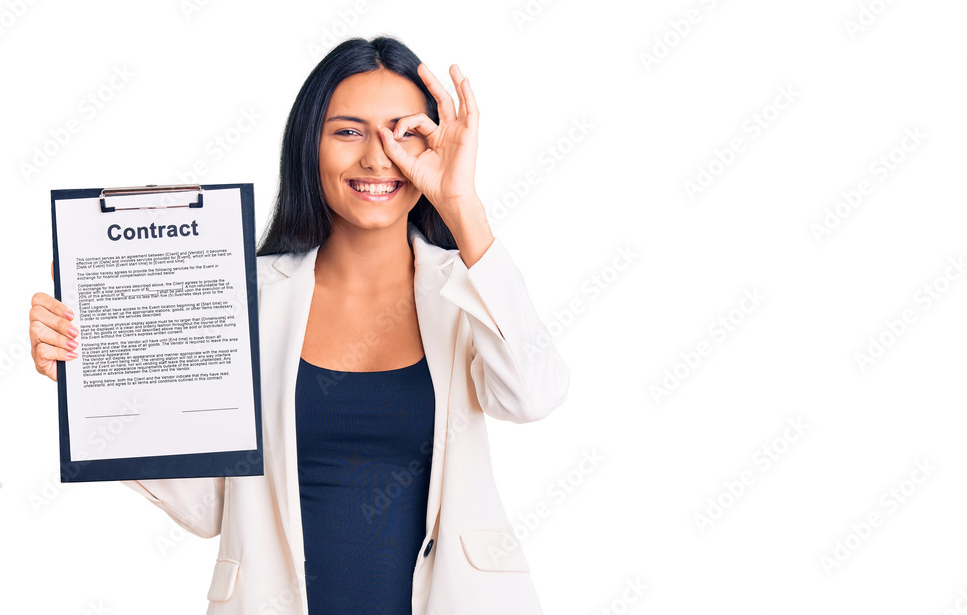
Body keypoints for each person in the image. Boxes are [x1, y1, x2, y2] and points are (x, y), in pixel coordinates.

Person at [29, 36, 570, 614]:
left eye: (403, 131)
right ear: (308, 146)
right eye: (348, 131)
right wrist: (93, 377)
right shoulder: (241, 297)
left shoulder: (468, 291)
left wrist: (461, 204)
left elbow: (532, 395)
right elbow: (209, 508)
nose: (378, 157)